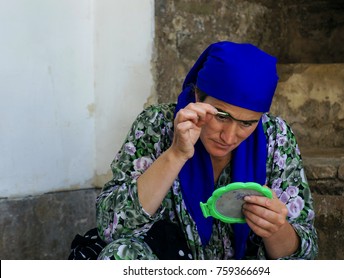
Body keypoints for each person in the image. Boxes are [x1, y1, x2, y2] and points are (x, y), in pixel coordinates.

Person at [95, 41, 318, 260]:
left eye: (247, 123)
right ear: (196, 96)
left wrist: (275, 228)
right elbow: (111, 227)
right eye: (221, 116)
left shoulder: (275, 137)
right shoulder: (156, 125)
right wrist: (176, 154)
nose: (229, 137)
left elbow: (305, 253)